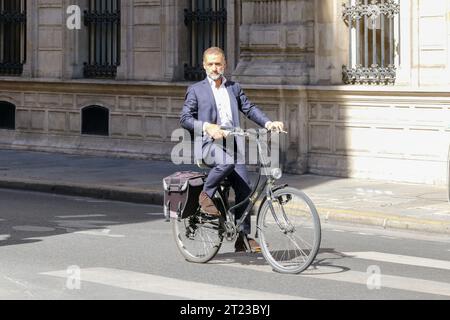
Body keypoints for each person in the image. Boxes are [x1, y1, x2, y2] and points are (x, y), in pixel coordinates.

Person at [180, 47, 285, 252]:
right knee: (225, 162)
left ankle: (243, 237)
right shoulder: (196, 90)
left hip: (232, 144)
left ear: (225, 64)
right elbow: (185, 118)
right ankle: (205, 196)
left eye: (218, 63)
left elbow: (249, 108)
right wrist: (208, 127)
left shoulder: (234, 88)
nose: (214, 68)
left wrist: (268, 123)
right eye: (210, 64)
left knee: (245, 189)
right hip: (208, 144)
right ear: (204, 65)